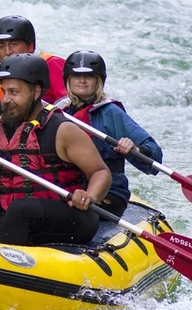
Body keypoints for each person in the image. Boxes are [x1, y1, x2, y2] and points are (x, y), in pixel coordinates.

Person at [0, 53, 111, 246]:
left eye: (14, 92)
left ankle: (1, 262)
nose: (5, 99)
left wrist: (90, 195)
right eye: (4, 91)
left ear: (36, 91)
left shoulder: (62, 129)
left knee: (21, 209)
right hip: (11, 217)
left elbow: (100, 171)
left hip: (69, 218)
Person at [0, 15, 69, 206]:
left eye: (14, 44)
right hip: (21, 152)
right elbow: (3, 123)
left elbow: (72, 109)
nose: (8, 52)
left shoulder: (52, 65)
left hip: (52, 156)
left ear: (30, 46)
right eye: (1, 46)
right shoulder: (5, 78)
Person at [62, 50, 163, 217]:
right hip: (72, 187)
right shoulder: (62, 111)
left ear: (98, 81)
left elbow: (155, 156)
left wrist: (135, 149)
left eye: (89, 76)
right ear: (68, 80)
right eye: (76, 76)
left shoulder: (111, 113)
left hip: (110, 193)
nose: (82, 80)